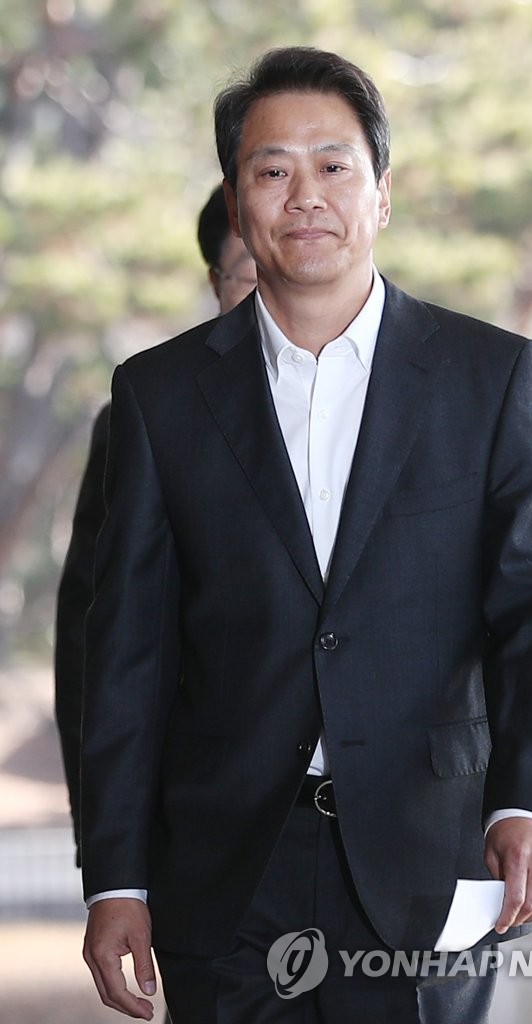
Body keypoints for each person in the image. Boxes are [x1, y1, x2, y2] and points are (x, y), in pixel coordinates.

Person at [79, 47, 532, 1024]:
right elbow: (130, 655)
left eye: (333, 165)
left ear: (382, 195)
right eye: (271, 170)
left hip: (427, 855)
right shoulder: (160, 395)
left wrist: (531, 799)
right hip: (228, 873)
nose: (303, 194)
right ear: (238, 205)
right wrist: (116, 879)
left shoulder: (489, 377)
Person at [54, 184, 256, 858]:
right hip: (203, 815)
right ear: (216, 282)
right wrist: (106, 839)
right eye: (250, 274)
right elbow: (93, 638)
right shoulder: (147, 411)